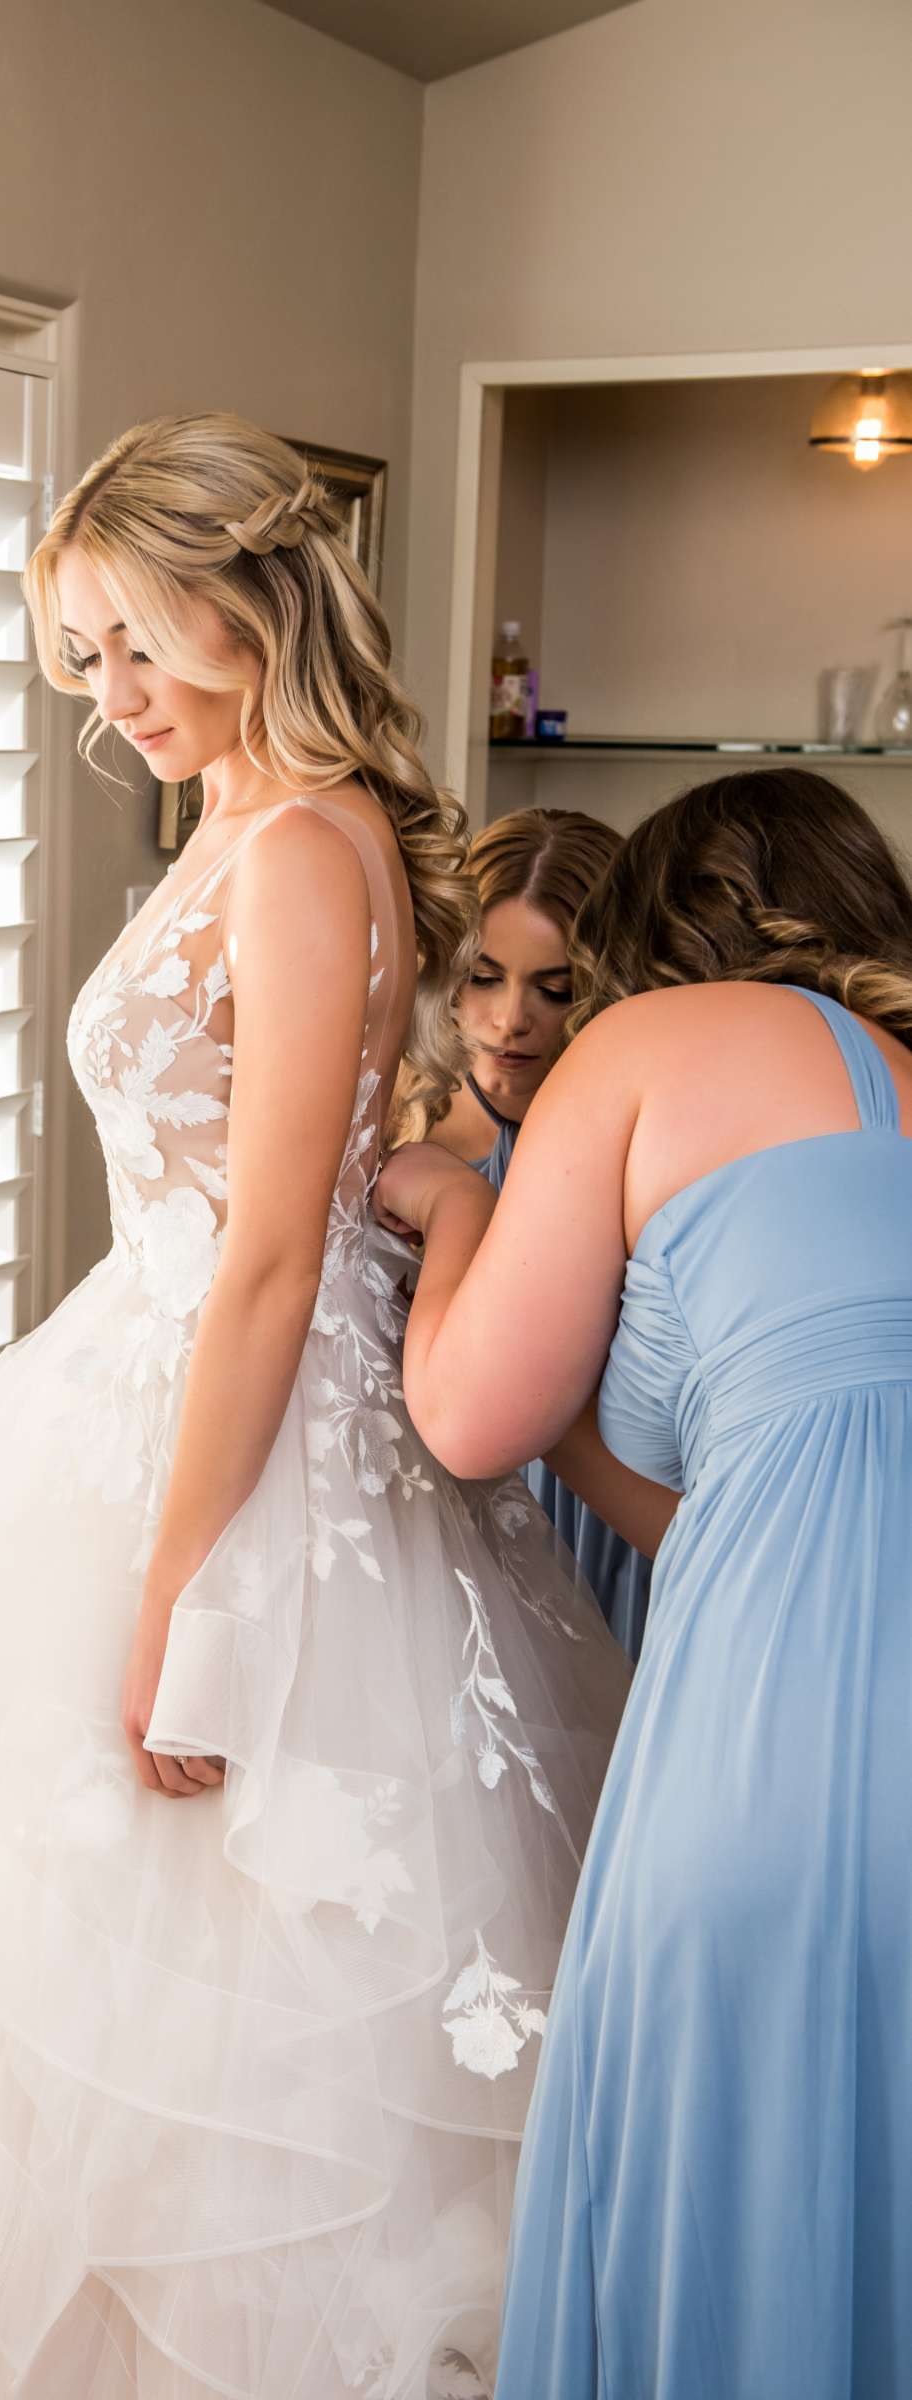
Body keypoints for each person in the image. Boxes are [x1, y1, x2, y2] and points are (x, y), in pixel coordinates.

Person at [0, 414, 629, 2400]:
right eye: (81, 658)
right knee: (114, 2008)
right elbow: (302, 1173)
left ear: (248, 600)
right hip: (164, 1399)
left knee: (241, 1990)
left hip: (240, 1459)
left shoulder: (305, 840)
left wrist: (178, 1590)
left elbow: (267, 1259)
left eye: (141, 643)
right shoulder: (239, 823)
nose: (113, 696)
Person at [374, 767, 912, 2398]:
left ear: (647, 934)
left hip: (775, 1707)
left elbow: (471, 1419)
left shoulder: (652, 1050)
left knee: (709, 2121)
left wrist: (455, 1207)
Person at [429, 808, 654, 1660]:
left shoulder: (648, 1156)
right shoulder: (386, 1141)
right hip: (433, 1544)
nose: (509, 1020)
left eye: (554, 989)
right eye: (482, 978)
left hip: (604, 1522)